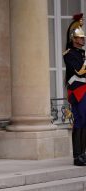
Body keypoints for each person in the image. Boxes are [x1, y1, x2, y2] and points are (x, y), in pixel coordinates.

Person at [63, 13, 86, 166]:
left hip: (83, 90)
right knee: (80, 121)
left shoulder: (81, 53)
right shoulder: (69, 54)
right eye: (81, 38)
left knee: (84, 121)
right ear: (74, 39)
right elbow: (78, 71)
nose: (83, 39)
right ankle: (78, 156)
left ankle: (82, 154)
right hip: (78, 91)